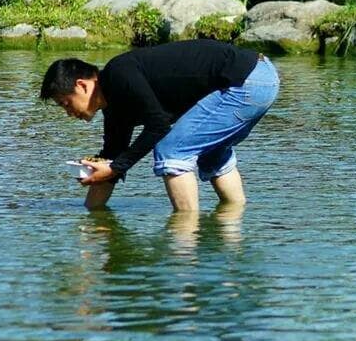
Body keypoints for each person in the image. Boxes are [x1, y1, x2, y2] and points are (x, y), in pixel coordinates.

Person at [40, 39, 280, 212]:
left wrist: (115, 168)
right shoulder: (114, 107)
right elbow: (114, 158)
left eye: (66, 103)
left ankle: (185, 241)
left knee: (171, 150)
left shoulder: (118, 74)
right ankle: (232, 225)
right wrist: (92, 212)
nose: (68, 113)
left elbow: (159, 124)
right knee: (212, 154)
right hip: (259, 78)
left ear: (82, 85)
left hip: (247, 82)